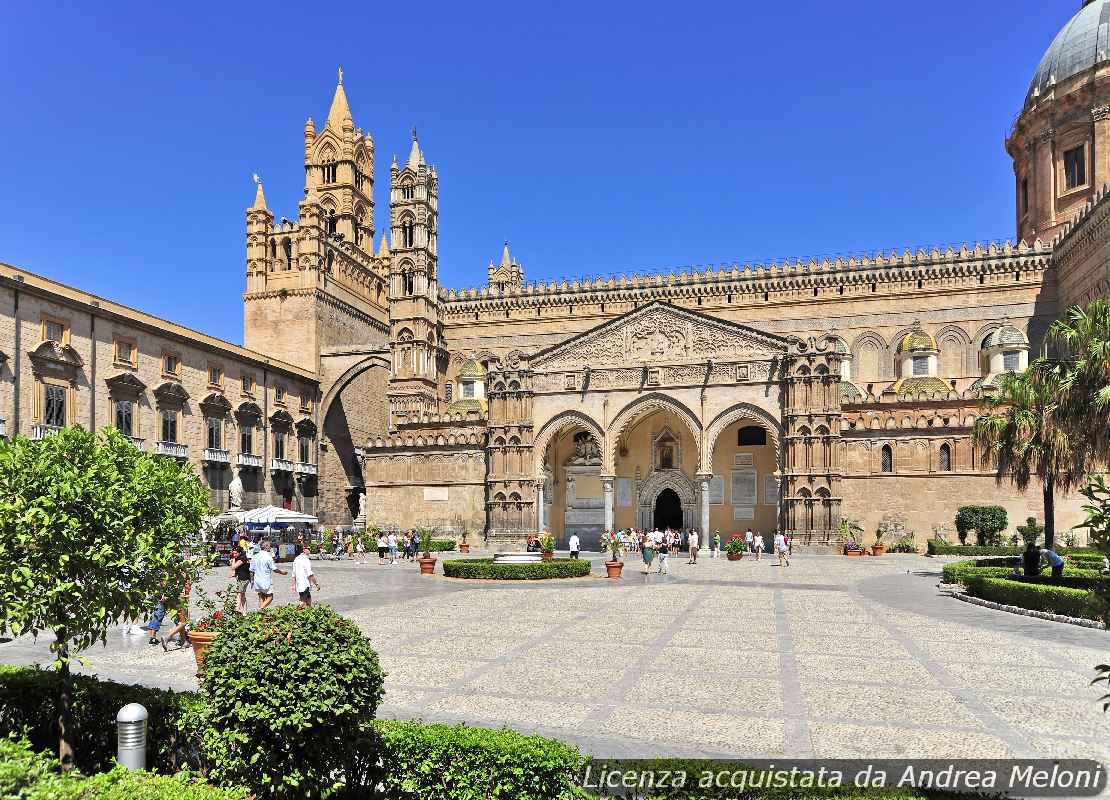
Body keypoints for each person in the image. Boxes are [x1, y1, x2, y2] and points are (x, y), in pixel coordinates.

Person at [251, 539, 288, 609]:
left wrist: (252, 580)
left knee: (261, 597)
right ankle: (261, 608)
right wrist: (282, 572)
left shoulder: (255, 556)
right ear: (266, 547)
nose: (270, 548)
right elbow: (274, 569)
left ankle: (261, 614)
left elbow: (251, 570)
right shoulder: (268, 557)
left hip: (257, 580)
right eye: (270, 546)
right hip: (265, 580)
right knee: (270, 597)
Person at [230, 535, 252, 614]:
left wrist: (233, 558)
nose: (234, 555)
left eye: (235, 553)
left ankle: (237, 610)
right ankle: (244, 612)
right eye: (233, 553)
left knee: (239, 594)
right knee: (242, 595)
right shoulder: (240, 557)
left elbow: (233, 567)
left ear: (239, 553)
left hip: (244, 578)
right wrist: (234, 574)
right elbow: (239, 569)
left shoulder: (242, 558)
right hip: (241, 577)